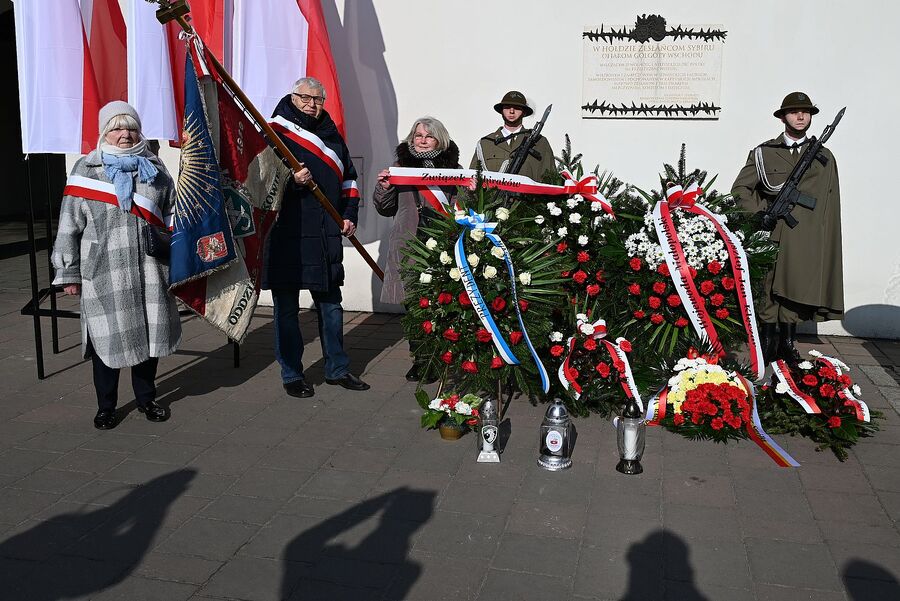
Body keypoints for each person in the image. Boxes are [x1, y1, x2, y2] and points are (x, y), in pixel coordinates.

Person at [51, 101, 181, 430]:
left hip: (149, 270)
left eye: (131, 128)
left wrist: (179, 260)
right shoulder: (86, 169)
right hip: (103, 271)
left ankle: (146, 398)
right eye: (116, 128)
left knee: (149, 338)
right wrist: (68, 272)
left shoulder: (155, 168)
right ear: (104, 133)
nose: (124, 134)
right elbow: (69, 224)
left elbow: (172, 217)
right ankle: (106, 406)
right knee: (105, 341)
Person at [264, 77, 369, 397]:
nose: (312, 104)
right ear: (292, 97)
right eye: (305, 98)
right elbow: (260, 180)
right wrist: (291, 180)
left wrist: (349, 215)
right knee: (286, 310)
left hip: (325, 233)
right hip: (287, 234)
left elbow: (349, 178)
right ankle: (292, 373)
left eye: (318, 99)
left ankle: (337, 368)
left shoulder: (332, 136)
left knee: (331, 307)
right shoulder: (274, 133)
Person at [731, 91, 844, 364]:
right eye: (794, 112)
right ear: (783, 117)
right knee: (769, 286)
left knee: (795, 287)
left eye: (806, 112)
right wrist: (759, 215)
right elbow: (741, 189)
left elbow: (830, 202)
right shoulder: (765, 153)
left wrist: (822, 238)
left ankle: (788, 343)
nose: (801, 116)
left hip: (805, 236)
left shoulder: (824, 157)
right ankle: (769, 341)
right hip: (773, 231)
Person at [374, 117, 461, 381]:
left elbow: (463, 207)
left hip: (444, 244)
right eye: (418, 135)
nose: (422, 140)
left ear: (439, 140)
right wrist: (384, 187)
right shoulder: (400, 168)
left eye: (428, 136)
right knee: (415, 306)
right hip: (410, 245)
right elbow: (385, 208)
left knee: (442, 304)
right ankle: (422, 359)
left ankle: (442, 355)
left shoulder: (454, 169)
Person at [469, 90, 555, 181]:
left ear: (524, 112)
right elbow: (471, 179)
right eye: (507, 107)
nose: (511, 111)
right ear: (501, 111)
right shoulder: (486, 144)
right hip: (495, 195)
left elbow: (551, 179)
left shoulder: (539, 142)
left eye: (517, 107)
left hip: (528, 195)